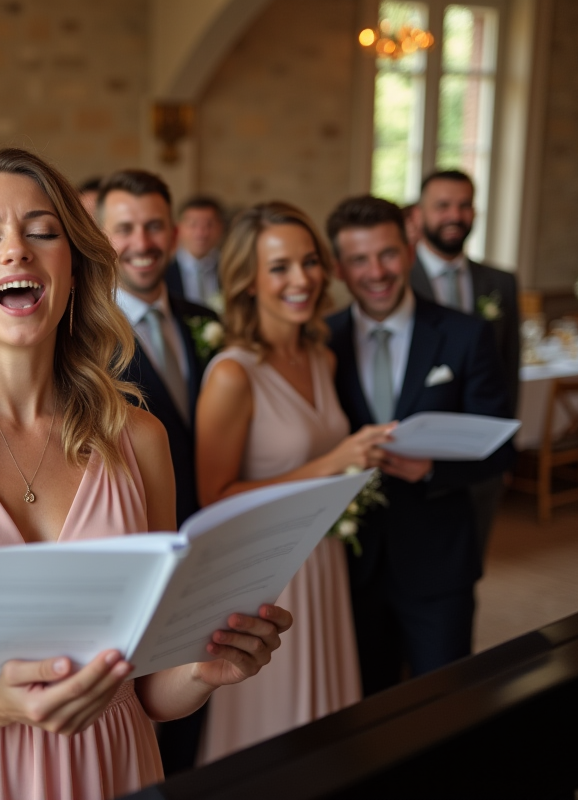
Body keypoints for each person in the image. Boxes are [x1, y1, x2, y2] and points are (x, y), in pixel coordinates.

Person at [0, 148, 292, 800]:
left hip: (113, 772)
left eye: (43, 232)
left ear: (73, 267)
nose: (16, 251)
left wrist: (205, 668)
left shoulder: (141, 440)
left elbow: (150, 690)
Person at [193, 201, 393, 763]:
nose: (301, 279)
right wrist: (335, 462)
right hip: (270, 575)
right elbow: (216, 499)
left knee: (329, 723)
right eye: (279, 267)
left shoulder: (320, 356)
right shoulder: (233, 374)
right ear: (248, 280)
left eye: (309, 262)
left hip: (323, 562)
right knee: (275, 737)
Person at [325, 195, 515, 696]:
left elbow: (501, 446)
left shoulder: (464, 334)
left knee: (445, 700)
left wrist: (433, 469)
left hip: (438, 560)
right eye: (360, 260)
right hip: (348, 566)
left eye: (387, 254)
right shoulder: (321, 342)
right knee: (362, 705)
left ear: (409, 251)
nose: (377, 271)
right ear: (340, 269)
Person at [97, 171, 220, 773]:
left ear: (172, 232)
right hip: (140, 553)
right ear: (99, 238)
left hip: (211, 547)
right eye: (124, 228)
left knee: (197, 717)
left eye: (152, 226)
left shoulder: (205, 321)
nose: (141, 242)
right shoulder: (84, 340)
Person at [408, 169, 519, 559]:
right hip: (413, 464)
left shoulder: (500, 283)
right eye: (442, 205)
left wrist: (505, 450)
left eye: (464, 205)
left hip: (481, 464)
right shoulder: (395, 281)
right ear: (418, 215)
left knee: (468, 566)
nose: (455, 215)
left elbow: (509, 370)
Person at [166, 195, 227, 309]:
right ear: (178, 229)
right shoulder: (164, 272)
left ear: (220, 228)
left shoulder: (230, 270)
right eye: (193, 225)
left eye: (209, 225)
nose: (201, 233)